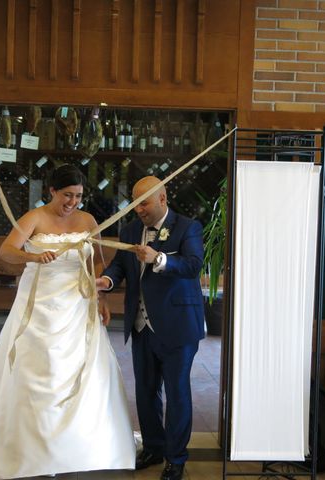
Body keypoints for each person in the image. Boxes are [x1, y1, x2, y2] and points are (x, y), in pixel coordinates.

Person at [0, 164, 135, 479]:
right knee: (39, 369)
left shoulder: (88, 220)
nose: (72, 203)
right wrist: (33, 257)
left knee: (87, 370)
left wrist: (101, 298)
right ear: (52, 191)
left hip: (78, 306)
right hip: (39, 306)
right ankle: (31, 448)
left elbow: (96, 261)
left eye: (78, 196)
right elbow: (5, 252)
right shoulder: (34, 218)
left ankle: (82, 446)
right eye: (67, 195)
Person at [96, 176, 205, 480]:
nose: (138, 209)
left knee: (177, 392)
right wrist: (107, 281)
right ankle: (154, 448)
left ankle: (176, 458)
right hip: (141, 324)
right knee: (145, 392)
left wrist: (159, 258)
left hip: (178, 326)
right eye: (134, 203)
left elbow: (193, 265)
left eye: (143, 202)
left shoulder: (187, 227)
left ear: (162, 198)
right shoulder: (131, 230)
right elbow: (120, 265)